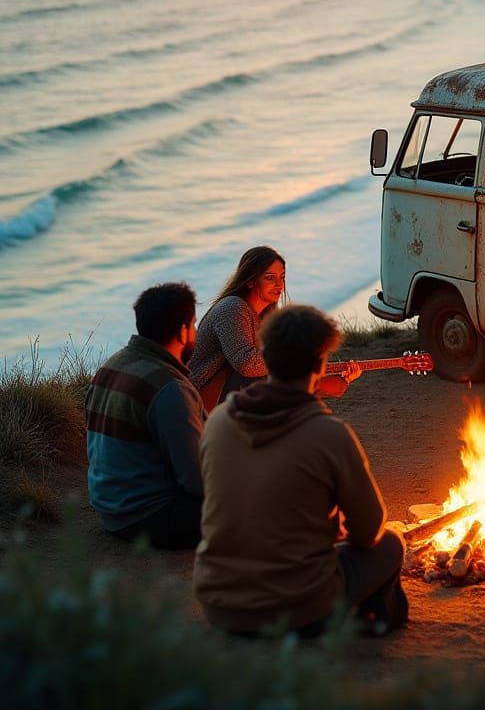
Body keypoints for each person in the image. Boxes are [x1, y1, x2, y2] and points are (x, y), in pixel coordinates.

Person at [193, 304, 408, 638]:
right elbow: (369, 532)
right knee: (391, 544)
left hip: (219, 604)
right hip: (294, 609)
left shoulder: (217, 422)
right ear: (321, 364)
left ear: (265, 355)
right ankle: (365, 622)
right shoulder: (329, 434)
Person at [85, 282, 204, 549]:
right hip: (149, 517)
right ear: (184, 331)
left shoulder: (113, 364)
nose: (196, 332)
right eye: (194, 325)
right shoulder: (169, 388)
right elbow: (198, 482)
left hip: (111, 508)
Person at [189, 246, 360, 411]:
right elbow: (248, 365)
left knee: (287, 377)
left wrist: (333, 373)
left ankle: (332, 385)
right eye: (270, 277)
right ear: (250, 280)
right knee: (275, 377)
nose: (279, 285)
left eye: (282, 277)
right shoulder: (232, 308)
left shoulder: (266, 315)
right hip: (201, 396)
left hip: (229, 392)